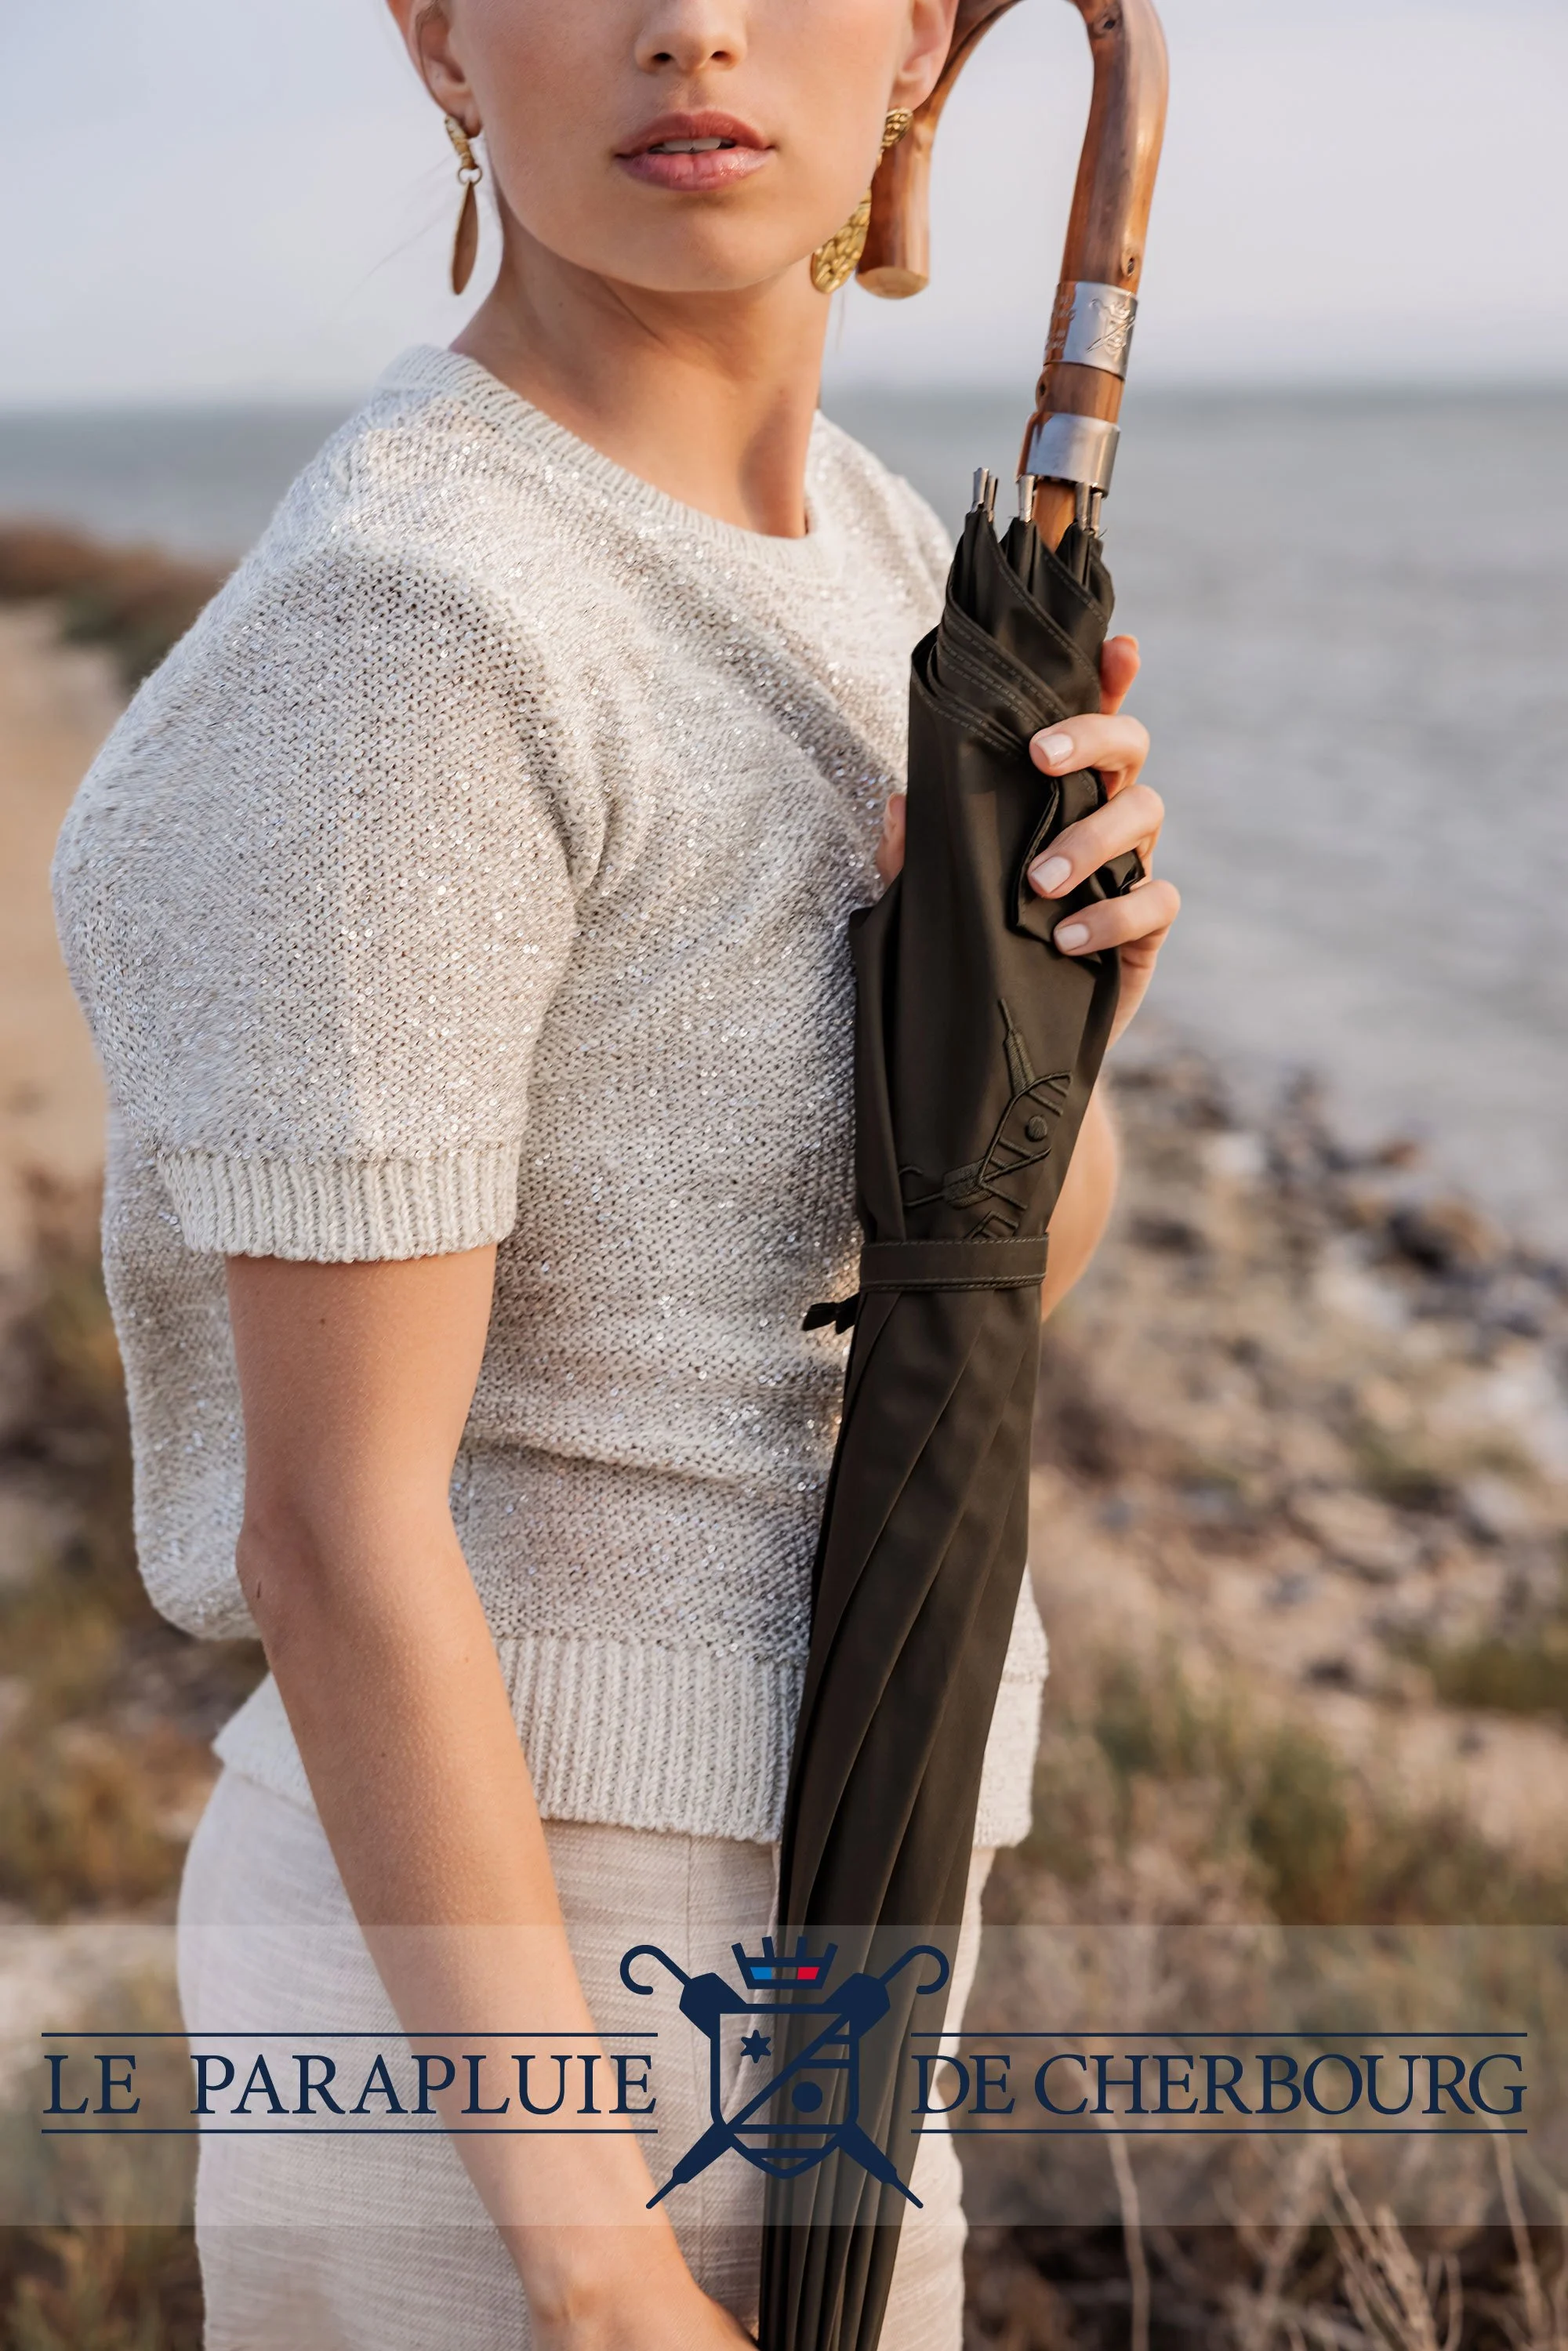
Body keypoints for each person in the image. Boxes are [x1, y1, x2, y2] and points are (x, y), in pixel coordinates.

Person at [53, 2, 1178, 2344]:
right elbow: (332, 1525)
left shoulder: (883, 552)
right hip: (517, 1994)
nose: (695, 26)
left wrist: (1043, 1039)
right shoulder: (419, 618)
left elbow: (971, 1294)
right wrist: (590, 2265)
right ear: (444, 43)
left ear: (920, 53)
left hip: (856, 1897)